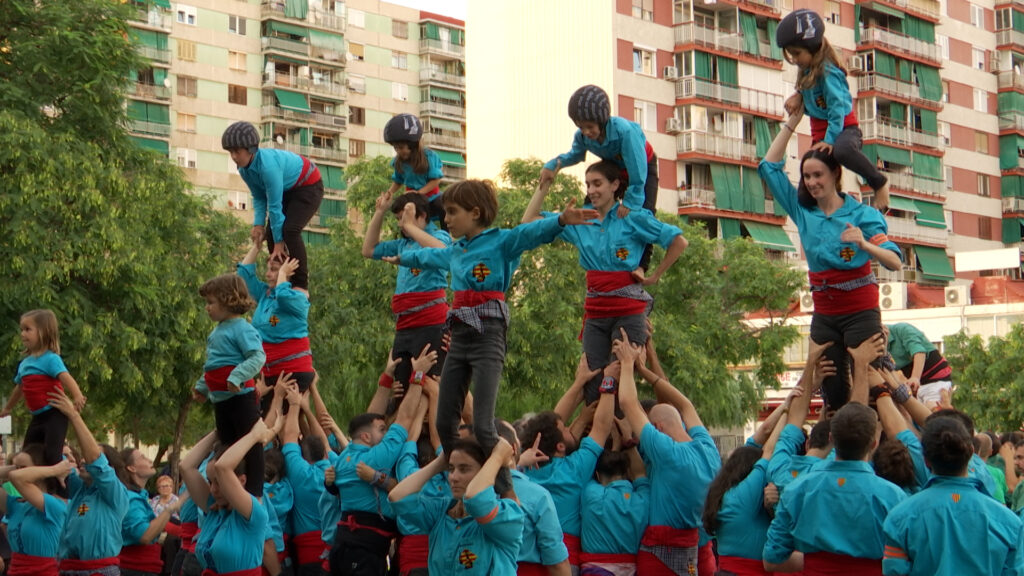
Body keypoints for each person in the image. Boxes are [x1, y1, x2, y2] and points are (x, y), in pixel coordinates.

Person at [384, 179, 599, 495]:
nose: (447, 220)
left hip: (488, 335)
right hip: (460, 336)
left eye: (452, 212)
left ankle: (507, 494)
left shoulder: (501, 241)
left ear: (475, 212)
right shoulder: (456, 250)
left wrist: (561, 220)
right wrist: (401, 258)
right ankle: (459, 477)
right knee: (444, 423)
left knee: (484, 426)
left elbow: (530, 232)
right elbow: (428, 257)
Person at [760, 104, 902, 410]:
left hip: (860, 311)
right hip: (825, 314)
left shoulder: (861, 214)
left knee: (874, 387)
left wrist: (865, 244)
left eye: (818, 175)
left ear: (835, 173)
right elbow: (769, 166)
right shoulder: (802, 211)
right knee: (833, 391)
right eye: (806, 176)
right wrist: (794, 121)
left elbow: (894, 261)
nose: (811, 182)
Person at [524, 160, 687, 403]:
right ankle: (596, 428)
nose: (591, 190)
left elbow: (679, 242)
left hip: (628, 311)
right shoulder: (579, 220)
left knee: (620, 380)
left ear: (615, 185)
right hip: (596, 312)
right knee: (593, 384)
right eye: (588, 184)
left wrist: (655, 276)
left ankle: (627, 427)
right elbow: (528, 222)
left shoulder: (632, 218)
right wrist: (545, 185)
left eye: (597, 184)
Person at [616, 332, 721, 576]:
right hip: (699, 553)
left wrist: (628, 363)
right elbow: (685, 405)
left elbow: (628, 404)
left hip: (661, 555)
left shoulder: (666, 452)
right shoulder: (708, 448)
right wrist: (645, 370)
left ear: (657, 428)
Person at [763, 401, 906, 574]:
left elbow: (771, 560)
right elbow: (905, 561)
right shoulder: (894, 497)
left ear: (831, 438)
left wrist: (816, 562)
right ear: (873, 444)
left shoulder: (796, 490)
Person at [328, 350, 431, 576]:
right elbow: (404, 418)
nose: (386, 432)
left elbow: (368, 420)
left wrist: (386, 377)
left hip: (345, 545)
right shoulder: (377, 457)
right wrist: (418, 375)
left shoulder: (345, 456)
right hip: (364, 550)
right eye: (382, 429)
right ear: (366, 437)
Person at [776, 8, 890, 211]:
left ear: (812, 48)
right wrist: (798, 94)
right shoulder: (807, 71)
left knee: (842, 151)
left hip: (843, 130)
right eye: (791, 55)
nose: (794, 60)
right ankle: (834, 212)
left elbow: (837, 109)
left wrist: (830, 141)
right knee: (805, 197)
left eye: (797, 54)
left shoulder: (828, 73)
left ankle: (879, 182)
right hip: (821, 138)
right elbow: (809, 91)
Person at [541, 84, 659, 275]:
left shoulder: (624, 132)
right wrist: (554, 165)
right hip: (614, 166)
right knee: (592, 205)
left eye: (590, 127)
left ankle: (641, 265)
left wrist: (631, 201)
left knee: (643, 212)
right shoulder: (582, 137)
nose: (586, 132)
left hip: (641, 165)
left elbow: (638, 172)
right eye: (581, 127)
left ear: (602, 120)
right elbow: (574, 155)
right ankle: (598, 252)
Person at [882, 417, 1024, 575]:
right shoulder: (1010, 523)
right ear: (971, 453)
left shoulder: (900, 518)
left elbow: (894, 571)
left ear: (926, 460)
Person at [389, 438, 525, 575]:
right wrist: (438, 463)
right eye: (451, 469)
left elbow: (476, 500)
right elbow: (398, 498)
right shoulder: (442, 511)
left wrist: (497, 458)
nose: (453, 477)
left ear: (485, 473)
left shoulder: (507, 515)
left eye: (464, 469)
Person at [362, 191, 452, 389]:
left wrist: (411, 227)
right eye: (398, 219)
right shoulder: (403, 244)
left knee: (429, 384)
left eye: (404, 218)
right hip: (405, 323)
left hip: (430, 323)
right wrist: (380, 212)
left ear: (422, 216)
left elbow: (443, 253)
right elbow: (368, 250)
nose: (401, 224)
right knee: (401, 385)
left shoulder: (439, 236)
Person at [222, 120, 324, 290]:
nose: (233, 156)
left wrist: (279, 243)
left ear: (251, 149)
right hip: (287, 189)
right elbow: (259, 197)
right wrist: (258, 224)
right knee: (271, 235)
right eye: (230, 152)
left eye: (237, 152)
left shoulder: (268, 167)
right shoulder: (243, 169)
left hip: (308, 185)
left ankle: (300, 285)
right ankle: (279, 282)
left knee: (289, 231)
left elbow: (274, 207)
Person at [193, 274, 266, 497]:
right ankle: (227, 492)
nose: (207, 308)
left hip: (240, 398)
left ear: (228, 300)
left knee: (250, 446)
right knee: (225, 447)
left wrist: (237, 377)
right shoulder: (216, 332)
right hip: (221, 401)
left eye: (211, 302)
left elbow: (257, 357)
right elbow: (213, 366)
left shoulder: (242, 328)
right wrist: (201, 387)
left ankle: (254, 492)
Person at [181, 419, 279, 576]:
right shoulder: (215, 510)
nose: (212, 489)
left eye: (218, 483)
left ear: (241, 480)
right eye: (210, 482)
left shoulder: (254, 513)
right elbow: (185, 467)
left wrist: (254, 436)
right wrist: (218, 432)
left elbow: (223, 467)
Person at [49, 389, 130, 576]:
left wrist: (74, 415)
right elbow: (51, 456)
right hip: (68, 569)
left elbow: (95, 459)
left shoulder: (114, 493)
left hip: (98, 570)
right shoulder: (80, 488)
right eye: (83, 456)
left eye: (88, 455)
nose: (84, 460)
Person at [1, 309, 87, 473]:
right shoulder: (25, 363)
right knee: (28, 454)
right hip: (38, 417)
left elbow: (66, 378)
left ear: (43, 332)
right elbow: (19, 388)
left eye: (28, 329)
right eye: (22, 330)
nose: (23, 334)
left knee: (52, 455)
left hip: (55, 414)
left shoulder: (51, 359)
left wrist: (77, 396)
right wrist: (8, 408)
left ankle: (62, 483)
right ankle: (34, 483)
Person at [238, 240, 315, 412]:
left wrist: (282, 274)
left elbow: (283, 296)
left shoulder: (298, 298)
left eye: (273, 270)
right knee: (266, 422)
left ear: (289, 272)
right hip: (269, 374)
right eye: (268, 269)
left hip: (292, 374)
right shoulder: (266, 294)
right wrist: (257, 246)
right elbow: (243, 277)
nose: (267, 274)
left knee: (284, 423)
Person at [494, 420, 570, 576]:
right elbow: (556, 561)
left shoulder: (470, 495)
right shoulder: (537, 495)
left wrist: (517, 462)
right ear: (514, 448)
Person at [1, 444, 71, 576]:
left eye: (23, 468)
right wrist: (15, 467)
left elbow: (17, 477)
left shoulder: (55, 505)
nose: (17, 472)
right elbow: (16, 476)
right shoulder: (17, 505)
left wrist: (54, 470)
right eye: (17, 468)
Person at [119, 447, 181, 576]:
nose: (150, 460)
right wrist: (169, 510)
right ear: (131, 468)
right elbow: (144, 536)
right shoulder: (131, 498)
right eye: (142, 457)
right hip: (135, 569)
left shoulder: (141, 495)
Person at [382, 114, 445, 226]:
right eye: (396, 148)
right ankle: (407, 232)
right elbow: (398, 181)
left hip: (431, 196)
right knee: (401, 211)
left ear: (412, 145)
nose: (398, 151)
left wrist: (419, 193)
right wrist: (389, 193)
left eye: (401, 147)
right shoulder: (399, 162)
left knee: (442, 206)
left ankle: (447, 233)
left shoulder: (429, 157)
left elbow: (436, 180)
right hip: (412, 197)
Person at [882, 323, 952, 408]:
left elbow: (919, 352)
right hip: (916, 386)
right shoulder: (880, 348)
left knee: (932, 409)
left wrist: (915, 377)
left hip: (935, 378)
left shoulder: (903, 329)